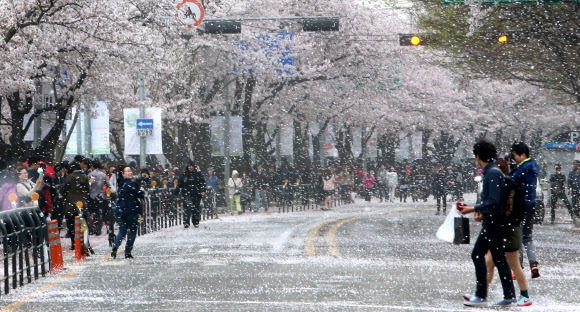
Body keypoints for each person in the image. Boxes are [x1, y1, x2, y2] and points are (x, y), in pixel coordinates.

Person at [458, 140, 515, 307]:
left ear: (477, 156)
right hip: (495, 221)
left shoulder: (491, 173)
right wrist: (480, 211)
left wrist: (472, 208)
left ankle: (481, 294)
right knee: (499, 259)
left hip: (493, 223)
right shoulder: (494, 171)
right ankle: (509, 295)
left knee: (477, 254)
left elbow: (493, 201)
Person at [468, 159, 532, 307]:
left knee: (512, 263)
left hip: (508, 231)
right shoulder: (502, 185)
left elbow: (501, 210)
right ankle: (482, 292)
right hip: (501, 229)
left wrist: (480, 212)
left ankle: (523, 295)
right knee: (490, 262)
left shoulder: (507, 186)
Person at [510, 141, 540, 279]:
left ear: (522, 155)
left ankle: (518, 268)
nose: (514, 158)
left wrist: (510, 169)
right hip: (531, 205)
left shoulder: (522, 168)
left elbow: (511, 180)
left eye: (515, 155)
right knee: (528, 237)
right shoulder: (533, 166)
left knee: (518, 238)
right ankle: (533, 264)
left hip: (520, 207)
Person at [111, 165, 144, 259]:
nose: (130, 172)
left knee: (122, 230)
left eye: (131, 170)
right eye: (128, 171)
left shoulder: (121, 183)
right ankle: (128, 252)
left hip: (120, 210)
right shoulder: (131, 183)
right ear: (123, 173)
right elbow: (139, 194)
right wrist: (141, 190)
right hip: (131, 209)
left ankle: (115, 246)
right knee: (133, 230)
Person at [61, 163, 90, 250]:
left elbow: (64, 190)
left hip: (70, 204)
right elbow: (87, 190)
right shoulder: (85, 177)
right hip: (82, 204)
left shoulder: (69, 177)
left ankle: (74, 243)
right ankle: (84, 242)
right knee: (83, 224)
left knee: (71, 225)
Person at [175, 160, 206, 228]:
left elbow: (202, 183)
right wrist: (177, 191)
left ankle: (195, 221)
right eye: (189, 166)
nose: (190, 168)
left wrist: (202, 190)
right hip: (187, 193)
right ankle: (186, 222)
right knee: (187, 207)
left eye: (192, 166)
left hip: (196, 193)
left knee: (196, 208)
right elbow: (180, 184)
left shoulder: (198, 174)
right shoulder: (184, 175)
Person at [87, 160, 110, 236]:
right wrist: (106, 192)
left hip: (91, 196)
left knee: (89, 213)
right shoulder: (103, 175)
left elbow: (88, 185)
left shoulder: (90, 174)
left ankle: (90, 228)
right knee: (99, 213)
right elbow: (108, 185)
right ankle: (98, 229)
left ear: (92, 166)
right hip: (100, 195)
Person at [567, 160, 580, 226]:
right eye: (574, 164)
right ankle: (576, 214)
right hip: (574, 190)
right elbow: (569, 180)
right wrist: (568, 188)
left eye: (576, 164)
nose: (575, 165)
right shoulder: (572, 172)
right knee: (575, 203)